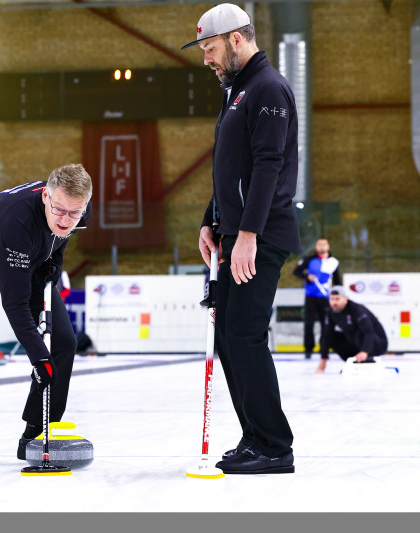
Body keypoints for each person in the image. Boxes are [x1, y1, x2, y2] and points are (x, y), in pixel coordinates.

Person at [183, 3, 301, 474]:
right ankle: (255, 436)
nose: (206, 58)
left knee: (245, 335)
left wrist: (247, 233)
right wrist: (210, 221)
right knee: (231, 337)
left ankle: (275, 445)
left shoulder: (267, 88)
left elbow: (269, 165)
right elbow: (230, 171)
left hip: (261, 233)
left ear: (236, 38)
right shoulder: (239, 91)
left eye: (210, 48)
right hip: (236, 234)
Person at [0, 163, 92, 464]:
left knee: (64, 343)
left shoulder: (76, 209)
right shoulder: (17, 221)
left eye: (74, 213)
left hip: (30, 264)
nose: (66, 219)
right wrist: (39, 358)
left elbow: (59, 240)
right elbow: (15, 303)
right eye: (59, 210)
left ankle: (35, 432)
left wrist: (55, 265)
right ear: (45, 198)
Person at [315, 286, 388, 374]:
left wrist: (365, 351)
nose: (334, 302)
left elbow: (368, 332)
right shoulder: (331, 312)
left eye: (337, 299)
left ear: (345, 299)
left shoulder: (356, 309)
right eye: (332, 299)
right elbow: (327, 335)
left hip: (377, 344)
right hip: (356, 343)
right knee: (330, 337)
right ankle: (354, 361)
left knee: (358, 332)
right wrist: (323, 360)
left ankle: (366, 358)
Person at [293, 238, 341, 358]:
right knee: (309, 323)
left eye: (324, 244)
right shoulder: (309, 259)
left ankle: (324, 348)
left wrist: (337, 296)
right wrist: (306, 276)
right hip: (311, 296)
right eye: (319, 244)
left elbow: (337, 280)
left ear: (328, 246)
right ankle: (308, 349)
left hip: (326, 297)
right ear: (316, 246)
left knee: (326, 324)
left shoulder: (333, 262)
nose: (321, 246)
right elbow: (297, 271)